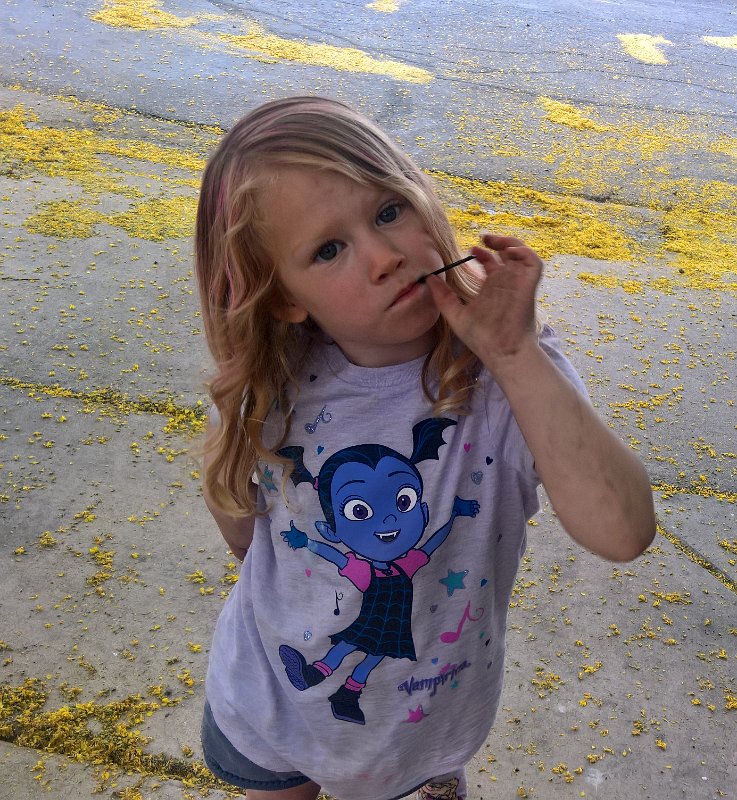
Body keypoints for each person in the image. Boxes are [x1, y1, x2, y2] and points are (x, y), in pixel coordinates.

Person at [194, 96, 655, 800]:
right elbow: (238, 514)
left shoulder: (503, 380)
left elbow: (624, 531)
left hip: (422, 726)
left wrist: (516, 356)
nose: (385, 256)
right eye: (328, 249)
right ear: (283, 296)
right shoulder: (271, 380)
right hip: (268, 706)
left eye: (388, 211)